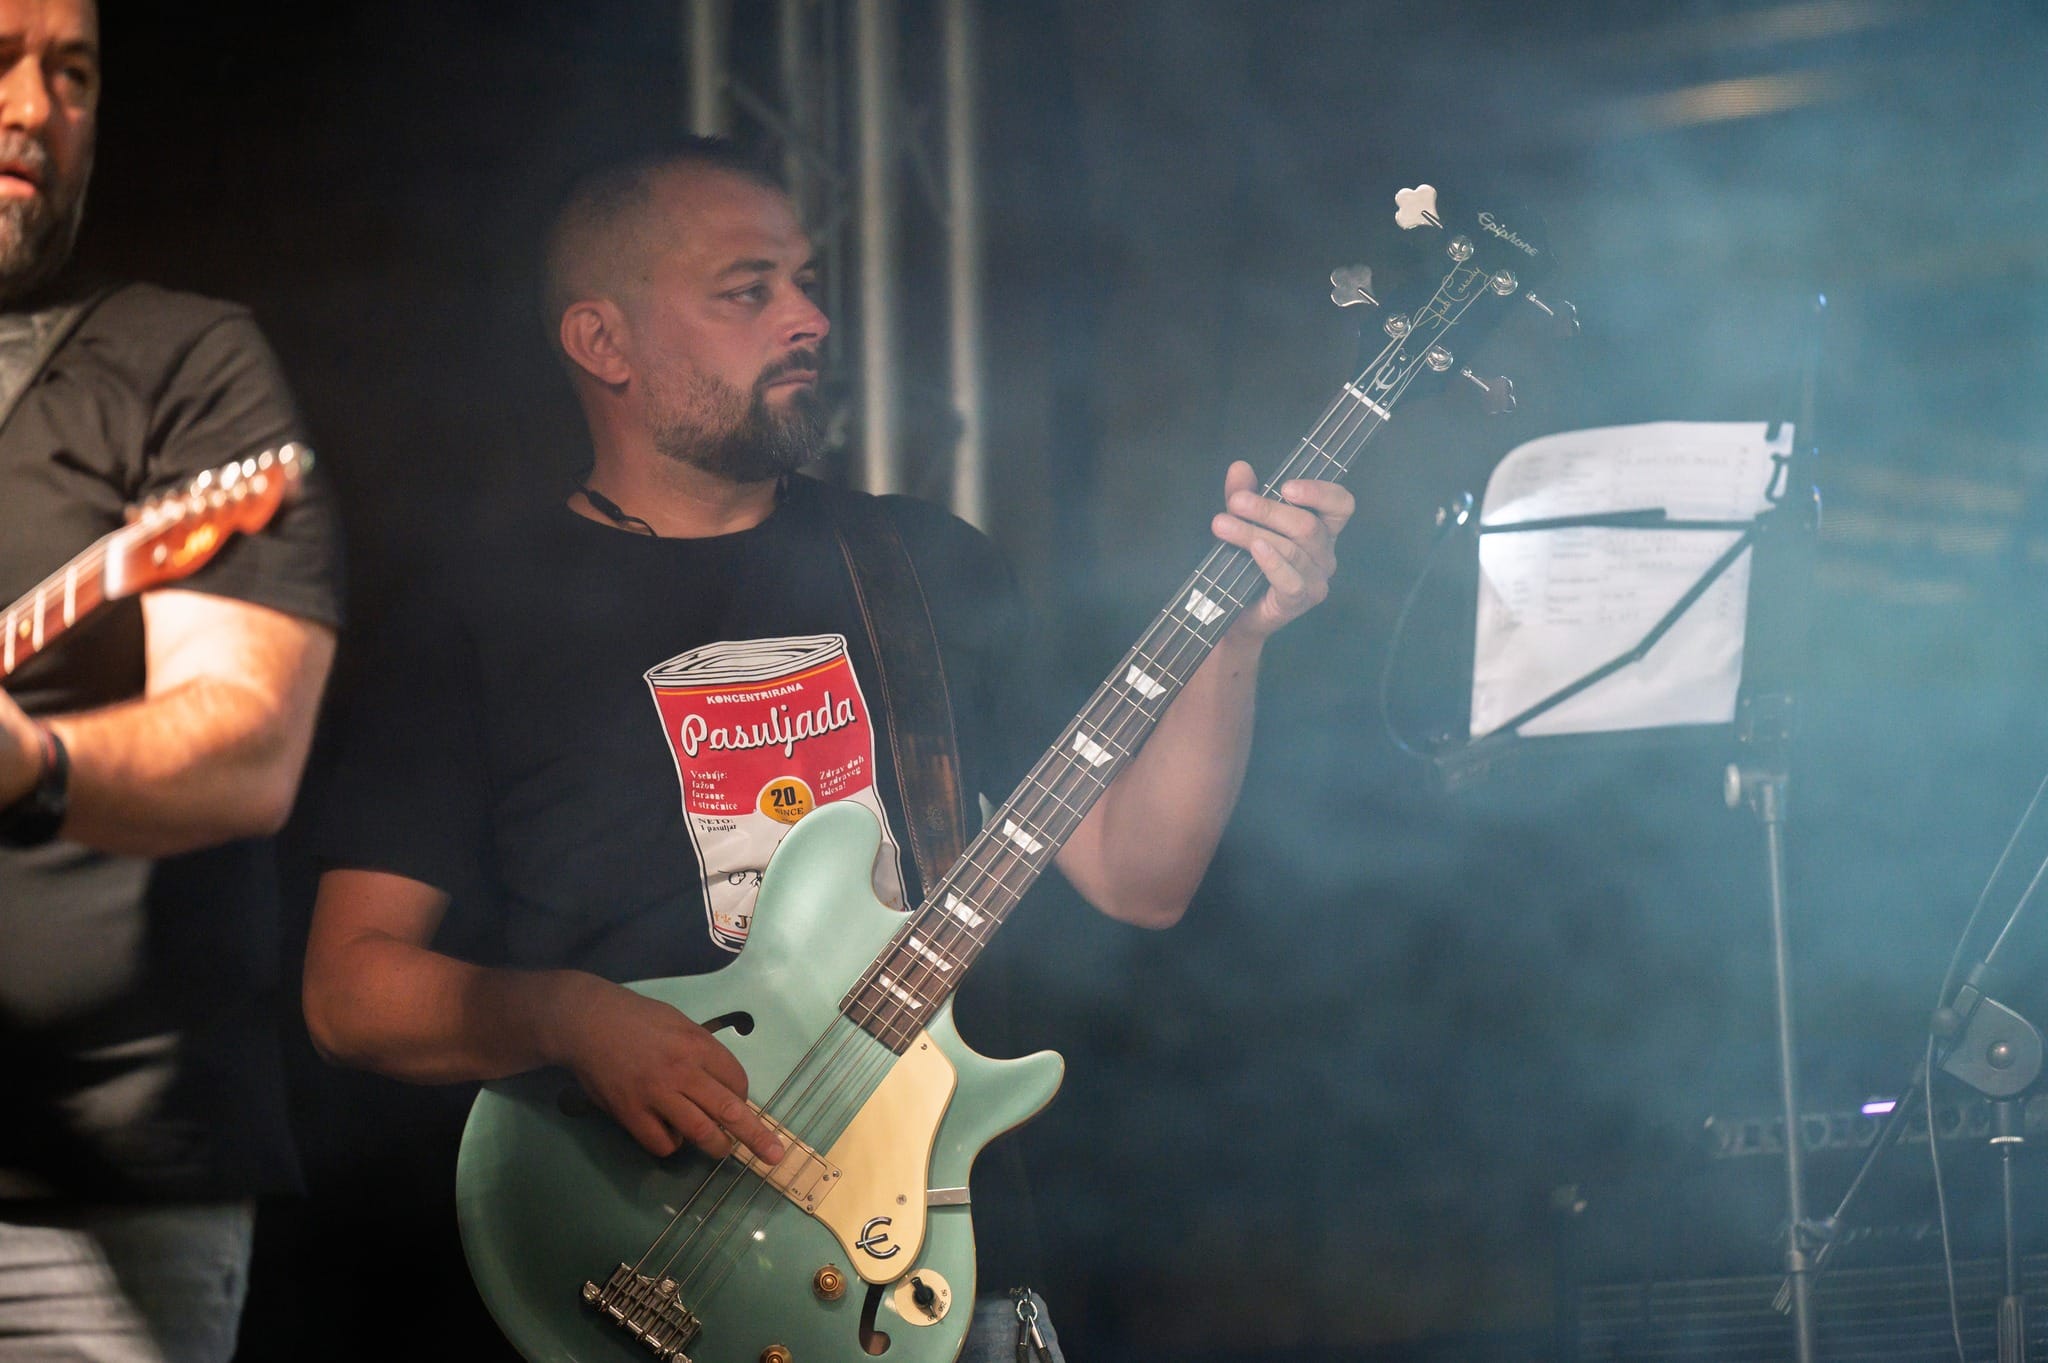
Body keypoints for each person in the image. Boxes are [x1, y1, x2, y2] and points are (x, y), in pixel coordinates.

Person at [302, 137, 1349, 1361]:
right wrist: (567, 1016)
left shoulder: (922, 563)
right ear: (603, 342)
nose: (807, 318)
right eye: (745, 290)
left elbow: (1137, 875)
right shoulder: (477, 613)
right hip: (637, 1253)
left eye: (804, 282)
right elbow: (348, 988)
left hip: (922, 1275)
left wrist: (1238, 636)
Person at [0, 1, 344, 1360]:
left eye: (73, 71)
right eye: (1, 58)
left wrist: (37, 762)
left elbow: (249, 742)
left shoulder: (181, 366)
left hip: (86, 1201)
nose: (37, 108)